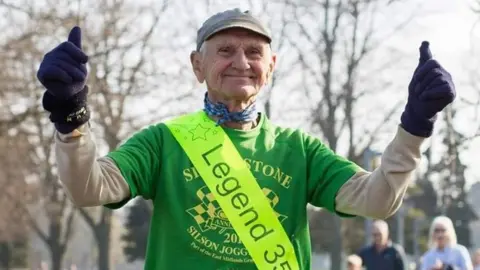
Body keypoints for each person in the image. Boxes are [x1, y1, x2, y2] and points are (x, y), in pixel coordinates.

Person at [36, 8, 455, 270]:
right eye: (225, 50)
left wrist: (415, 126)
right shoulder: (163, 141)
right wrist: (71, 113)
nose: (242, 62)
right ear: (197, 65)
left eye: (254, 53)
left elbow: (377, 200)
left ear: (270, 66)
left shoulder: (300, 150)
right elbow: (89, 187)